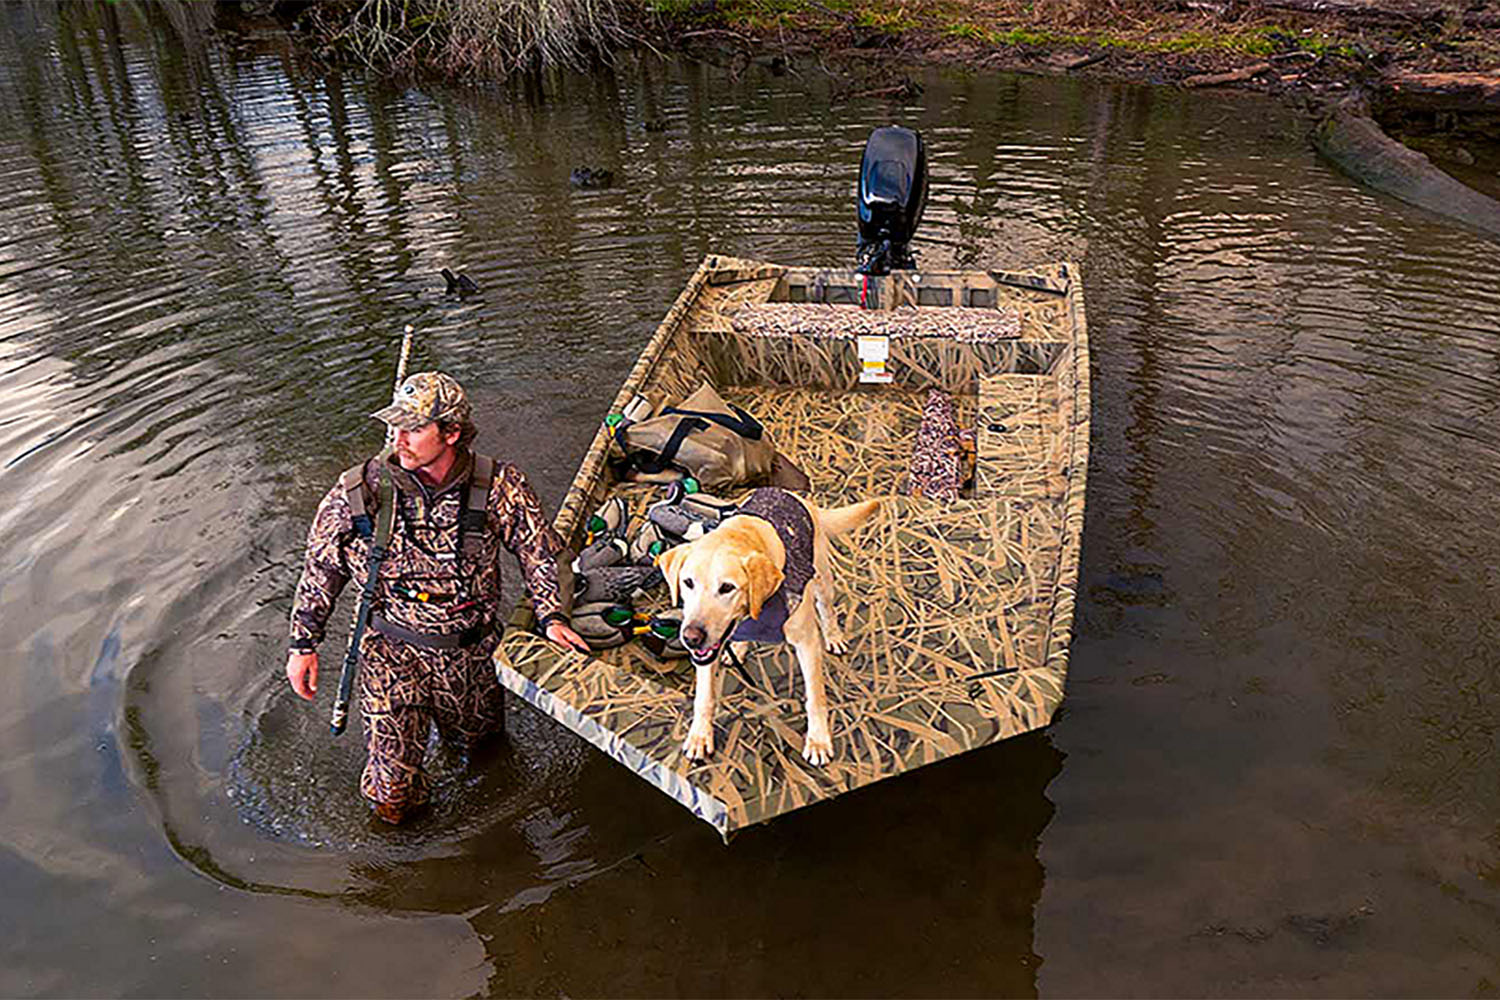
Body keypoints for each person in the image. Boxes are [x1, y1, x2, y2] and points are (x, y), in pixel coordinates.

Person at [285, 371, 588, 824]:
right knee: (392, 795)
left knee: (486, 766)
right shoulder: (359, 491)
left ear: (451, 433)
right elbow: (320, 569)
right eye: (394, 427)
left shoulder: (499, 485)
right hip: (390, 653)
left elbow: (540, 553)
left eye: (412, 429)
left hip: (471, 655)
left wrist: (551, 617)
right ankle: (402, 868)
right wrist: (303, 645)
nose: (397, 439)